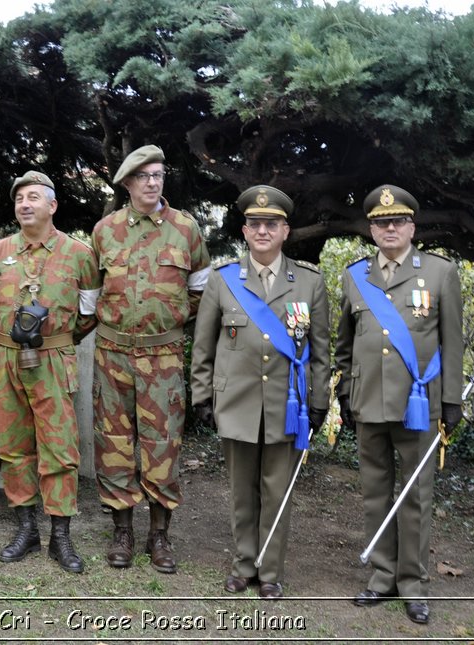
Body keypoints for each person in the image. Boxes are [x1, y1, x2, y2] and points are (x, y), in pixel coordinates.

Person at [190, 185, 330, 599]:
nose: (263, 230)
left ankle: (269, 571)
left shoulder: (308, 283)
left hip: (288, 407)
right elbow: (203, 346)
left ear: (285, 231)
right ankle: (242, 565)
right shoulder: (223, 280)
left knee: (276, 492)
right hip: (237, 402)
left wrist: (319, 401)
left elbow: (320, 351)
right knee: (241, 492)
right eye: (255, 224)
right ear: (245, 231)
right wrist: (202, 396)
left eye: (271, 224)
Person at [336, 185, 462, 625]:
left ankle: (413, 584)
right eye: (380, 223)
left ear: (412, 227)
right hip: (368, 401)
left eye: (398, 222)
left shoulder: (440, 273)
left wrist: (450, 401)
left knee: (415, 497)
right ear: (371, 229)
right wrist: (344, 395)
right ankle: (381, 577)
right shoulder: (355, 277)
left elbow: (453, 342)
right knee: (375, 494)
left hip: (419, 406)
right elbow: (345, 347)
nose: (389, 229)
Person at [91, 144, 211, 573]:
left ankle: (159, 536)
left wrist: (169, 321)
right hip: (112, 355)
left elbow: (201, 291)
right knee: (114, 443)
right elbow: (92, 294)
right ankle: (122, 530)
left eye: (158, 175)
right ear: (127, 183)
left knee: (163, 445)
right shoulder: (104, 231)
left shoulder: (186, 229)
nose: (152, 182)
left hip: (163, 357)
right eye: (143, 176)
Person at [0, 171, 99, 573]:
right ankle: (26, 529)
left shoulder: (79, 254)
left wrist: (55, 340)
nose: (25, 204)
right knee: (13, 447)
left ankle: (61, 537)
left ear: (52, 205)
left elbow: (89, 313)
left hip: (52, 362)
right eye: (19, 199)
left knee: (59, 448)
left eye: (34, 197)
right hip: (5, 360)